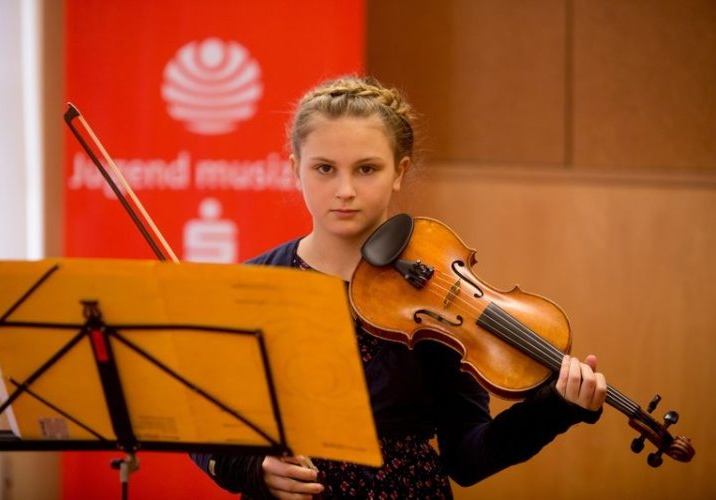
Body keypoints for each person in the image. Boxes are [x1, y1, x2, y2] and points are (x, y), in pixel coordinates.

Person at [191, 75, 607, 498]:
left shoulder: (437, 297)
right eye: (324, 169)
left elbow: (467, 457)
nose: (345, 190)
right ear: (295, 169)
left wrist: (553, 410)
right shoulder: (252, 284)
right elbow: (204, 429)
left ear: (398, 171)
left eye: (367, 169)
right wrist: (251, 468)